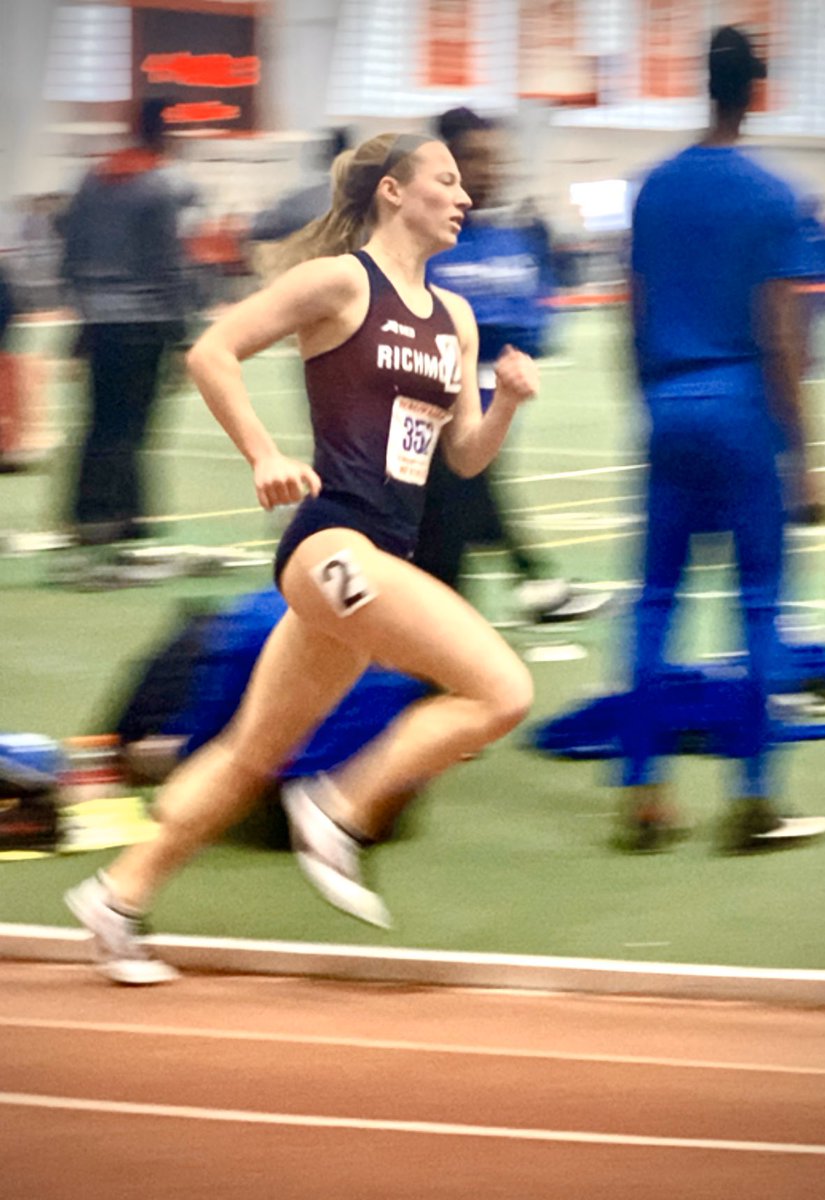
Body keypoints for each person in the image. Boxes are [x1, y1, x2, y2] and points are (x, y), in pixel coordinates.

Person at [64, 131, 538, 983]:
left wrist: (503, 404)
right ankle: (341, 805)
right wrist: (262, 455)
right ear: (394, 192)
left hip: (378, 552)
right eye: (447, 180)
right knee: (502, 690)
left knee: (252, 752)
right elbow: (212, 351)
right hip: (330, 544)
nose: (464, 196)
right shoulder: (339, 283)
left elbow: (462, 455)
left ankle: (117, 897)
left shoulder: (455, 319)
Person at [617, 25, 825, 853]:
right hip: (743, 409)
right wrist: (803, 456)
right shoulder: (775, 197)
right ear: (758, 91)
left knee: (654, 605)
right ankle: (751, 800)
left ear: (698, 85)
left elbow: (631, 317)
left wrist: (654, 404)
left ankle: (642, 797)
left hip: (667, 405)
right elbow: (781, 334)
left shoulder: (652, 191)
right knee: (756, 607)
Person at [417, 107, 611, 621]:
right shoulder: (415, 242)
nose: (491, 170)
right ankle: (537, 585)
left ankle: (534, 584)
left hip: (483, 416)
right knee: (449, 531)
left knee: (462, 520)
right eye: (476, 159)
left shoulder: (508, 239)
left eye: (495, 159)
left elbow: (534, 323)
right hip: (427, 421)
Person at [59, 97, 189, 546]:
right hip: (144, 318)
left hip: (97, 317)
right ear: (163, 133)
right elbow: (167, 266)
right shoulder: (158, 187)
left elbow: (71, 253)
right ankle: (107, 514)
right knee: (133, 424)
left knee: (100, 418)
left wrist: (80, 318)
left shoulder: (91, 181)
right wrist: (182, 336)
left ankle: (112, 511)